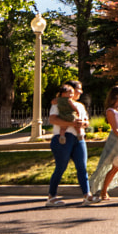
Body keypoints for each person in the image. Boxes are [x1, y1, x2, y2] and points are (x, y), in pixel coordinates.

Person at [47, 79, 96, 207]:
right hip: (62, 138)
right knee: (61, 167)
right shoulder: (58, 104)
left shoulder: (80, 105)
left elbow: (86, 121)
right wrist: (71, 124)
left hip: (78, 138)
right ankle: (51, 197)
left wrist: (82, 124)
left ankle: (87, 195)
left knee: (82, 167)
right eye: (78, 90)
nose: (80, 92)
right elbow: (53, 119)